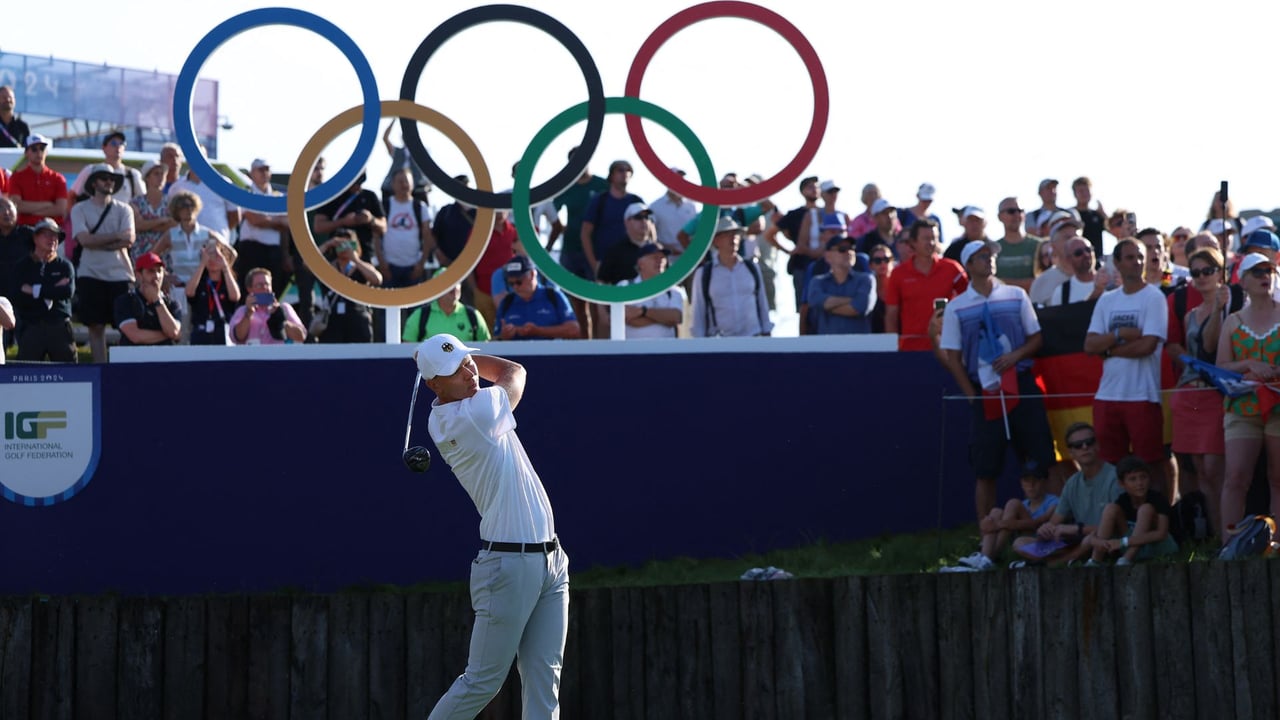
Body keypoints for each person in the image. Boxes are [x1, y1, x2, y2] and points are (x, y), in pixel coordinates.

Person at [412, 333, 569, 719]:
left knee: (544, 680)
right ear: (435, 386)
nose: (469, 373)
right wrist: (470, 361)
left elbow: (492, 374)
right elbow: (514, 371)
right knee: (481, 682)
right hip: (508, 567)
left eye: (469, 362)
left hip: (551, 560)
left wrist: (459, 358)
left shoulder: (469, 402)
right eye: (456, 371)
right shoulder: (470, 414)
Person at [938, 239, 1057, 521]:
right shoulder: (956, 307)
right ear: (968, 265)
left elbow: (1036, 338)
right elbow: (953, 357)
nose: (989, 259)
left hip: (1022, 386)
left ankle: (1056, 529)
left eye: (990, 255)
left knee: (1042, 461)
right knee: (986, 468)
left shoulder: (1016, 295)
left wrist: (1015, 356)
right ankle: (987, 538)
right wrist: (973, 397)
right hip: (986, 392)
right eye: (981, 256)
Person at [1085, 238, 1173, 496]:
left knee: (1152, 463)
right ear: (1117, 263)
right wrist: (1120, 334)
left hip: (1142, 395)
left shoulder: (1154, 297)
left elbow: (1147, 346)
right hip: (1107, 396)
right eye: (1130, 257)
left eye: (1140, 258)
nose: (1137, 263)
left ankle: (1160, 520)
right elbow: (1090, 345)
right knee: (1112, 465)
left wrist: (1109, 350)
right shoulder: (1107, 300)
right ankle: (1120, 520)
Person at [1215, 252, 1280, 539]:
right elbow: (1221, 367)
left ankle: (1277, 545)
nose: (1265, 276)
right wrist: (1249, 364)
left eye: (1269, 270)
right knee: (1236, 478)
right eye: (1257, 272)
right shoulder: (1233, 321)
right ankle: (1230, 545)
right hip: (1242, 406)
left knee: (1279, 478)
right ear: (1243, 281)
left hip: (1278, 405)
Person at [1170, 247, 1231, 536]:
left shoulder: (1234, 305)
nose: (1202, 277)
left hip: (1214, 394)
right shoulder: (1190, 315)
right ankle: (1215, 538)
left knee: (1215, 468)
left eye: (1208, 270)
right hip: (1187, 394)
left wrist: (1219, 309)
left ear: (1220, 272)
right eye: (1196, 272)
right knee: (1199, 470)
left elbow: (1211, 347)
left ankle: (1228, 538)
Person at [1013, 422, 1121, 565]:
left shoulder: (1115, 477)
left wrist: (1075, 529)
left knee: (1092, 539)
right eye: (1078, 445)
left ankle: (1052, 563)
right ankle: (1069, 557)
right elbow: (1055, 521)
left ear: (1097, 445)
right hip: (1077, 540)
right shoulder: (1072, 483)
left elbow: (1117, 527)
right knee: (1020, 543)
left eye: (1089, 442)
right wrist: (1046, 530)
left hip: (1106, 540)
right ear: (1071, 452)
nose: (1084, 447)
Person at [72, 163, 136, 363]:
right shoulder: (79, 208)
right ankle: (100, 368)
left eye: (111, 178)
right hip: (90, 273)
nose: (109, 181)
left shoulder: (125, 209)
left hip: (121, 274)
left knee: (126, 325)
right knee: (95, 326)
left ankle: (123, 366)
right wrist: (116, 237)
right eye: (104, 177)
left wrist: (97, 240)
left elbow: (129, 239)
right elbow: (84, 240)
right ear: (93, 182)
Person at [948, 464, 1059, 571]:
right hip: (1017, 538)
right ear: (1021, 483)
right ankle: (983, 556)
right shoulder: (1025, 504)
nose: (1031, 485)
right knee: (996, 512)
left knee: (1013, 503)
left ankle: (990, 557)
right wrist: (992, 522)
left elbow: (1037, 523)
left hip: (1036, 540)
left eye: (1036, 480)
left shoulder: (1053, 501)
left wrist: (998, 524)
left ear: (1044, 481)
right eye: (1027, 480)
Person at [549, 147, 608, 338]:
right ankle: (583, 342)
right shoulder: (566, 187)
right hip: (571, 249)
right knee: (576, 302)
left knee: (597, 300)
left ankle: (599, 343)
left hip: (596, 250)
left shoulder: (601, 184)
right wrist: (560, 231)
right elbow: (552, 211)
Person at [884, 218, 968, 351]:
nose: (931, 243)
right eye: (926, 238)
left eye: (934, 238)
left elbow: (969, 303)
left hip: (947, 349)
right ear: (913, 242)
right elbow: (891, 314)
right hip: (910, 349)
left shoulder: (952, 269)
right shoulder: (898, 273)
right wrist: (891, 348)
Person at [159, 190, 230, 335]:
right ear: (177, 211)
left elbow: (231, 254)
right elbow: (153, 257)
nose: (188, 210)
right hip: (179, 290)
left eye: (191, 206)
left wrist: (219, 272)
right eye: (183, 206)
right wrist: (164, 277)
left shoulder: (207, 233)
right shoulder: (170, 235)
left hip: (204, 289)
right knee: (181, 332)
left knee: (203, 331)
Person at [1085, 456, 1179, 565]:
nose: (1139, 483)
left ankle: (1125, 560)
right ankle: (1095, 560)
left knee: (1145, 509)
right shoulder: (1122, 501)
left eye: (1143, 477)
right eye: (1132, 479)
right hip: (1129, 544)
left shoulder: (1157, 499)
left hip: (1157, 546)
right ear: (1122, 483)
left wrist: (1123, 542)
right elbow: (1099, 531)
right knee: (1110, 508)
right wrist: (1099, 542)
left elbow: (1161, 534)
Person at [691, 217, 772, 338]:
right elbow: (698, 313)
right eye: (727, 234)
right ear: (716, 241)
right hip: (719, 343)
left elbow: (762, 303)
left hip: (753, 339)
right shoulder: (704, 274)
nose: (733, 238)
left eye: (736, 234)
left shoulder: (752, 268)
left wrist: (767, 334)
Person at [12, 219, 75, 362]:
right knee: (26, 373)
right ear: (35, 238)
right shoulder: (22, 266)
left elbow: (67, 292)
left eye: (55, 236)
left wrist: (35, 290)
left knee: (69, 373)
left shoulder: (64, 266)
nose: (52, 239)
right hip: (31, 324)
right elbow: (18, 295)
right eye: (46, 235)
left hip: (60, 325)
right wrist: (52, 288)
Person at [235, 158, 291, 296]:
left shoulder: (278, 196)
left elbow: (287, 224)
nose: (264, 173)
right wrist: (276, 221)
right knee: (249, 289)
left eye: (267, 169)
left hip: (273, 251)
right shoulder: (247, 194)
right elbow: (254, 219)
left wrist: (285, 254)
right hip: (251, 250)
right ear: (252, 173)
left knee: (272, 290)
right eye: (260, 170)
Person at [317, 229, 382, 344]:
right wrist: (327, 244)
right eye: (340, 245)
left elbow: (377, 279)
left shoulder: (361, 266)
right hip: (332, 320)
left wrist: (355, 259)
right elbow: (308, 265)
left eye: (348, 244)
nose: (344, 248)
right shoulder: (328, 267)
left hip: (357, 319)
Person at [494, 255, 579, 341]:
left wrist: (539, 331)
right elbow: (495, 337)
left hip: (551, 352)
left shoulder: (553, 296)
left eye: (519, 282)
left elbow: (574, 330)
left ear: (532, 274)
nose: (515, 287)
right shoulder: (507, 302)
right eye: (511, 284)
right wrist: (504, 335)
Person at [378, 167, 436, 289]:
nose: (404, 185)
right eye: (400, 181)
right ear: (393, 184)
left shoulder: (420, 207)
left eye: (406, 181)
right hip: (389, 266)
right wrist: (382, 263)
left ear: (412, 184)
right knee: (389, 305)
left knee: (413, 306)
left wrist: (421, 264)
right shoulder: (384, 205)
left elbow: (427, 236)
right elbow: (376, 236)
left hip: (413, 267)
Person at [807, 234, 876, 335]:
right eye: (842, 249)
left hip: (860, 347)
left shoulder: (866, 279)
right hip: (827, 347)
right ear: (828, 256)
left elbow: (859, 308)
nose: (849, 252)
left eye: (851, 248)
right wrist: (851, 300)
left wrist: (827, 307)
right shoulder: (817, 282)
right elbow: (815, 302)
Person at [167, 146, 240, 240]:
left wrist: (218, 232)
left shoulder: (222, 183)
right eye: (193, 155)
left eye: (201, 156)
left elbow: (234, 215)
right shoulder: (176, 187)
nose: (197, 159)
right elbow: (173, 216)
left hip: (217, 244)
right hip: (187, 246)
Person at [402, 268, 490, 343]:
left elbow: (487, 348)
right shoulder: (420, 316)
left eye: (457, 282)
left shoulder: (474, 315)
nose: (454, 286)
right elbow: (406, 351)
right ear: (436, 289)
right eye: (448, 283)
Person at [113, 252, 181, 348]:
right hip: (133, 359)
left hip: (164, 358)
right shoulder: (125, 301)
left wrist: (157, 300)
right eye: (151, 271)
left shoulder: (172, 303)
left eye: (159, 271)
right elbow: (135, 336)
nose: (157, 276)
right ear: (138, 275)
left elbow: (174, 332)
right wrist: (166, 335)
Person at [185, 238, 241, 346]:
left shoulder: (228, 282)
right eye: (209, 255)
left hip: (223, 333)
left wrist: (225, 267)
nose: (212, 260)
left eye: (216, 256)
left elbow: (235, 297)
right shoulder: (199, 282)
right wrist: (202, 264)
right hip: (201, 332)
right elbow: (189, 292)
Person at [229, 268, 307, 345]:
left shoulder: (284, 308)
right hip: (252, 355)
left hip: (277, 355)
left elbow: (301, 336)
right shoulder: (242, 311)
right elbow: (237, 337)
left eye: (267, 284)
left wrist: (280, 319)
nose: (264, 288)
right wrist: (248, 314)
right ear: (250, 289)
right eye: (259, 285)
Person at [69, 131, 144, 205]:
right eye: (113, 143)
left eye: (121, 144)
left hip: (123, 217)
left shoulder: (132, 174)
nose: (118, 147)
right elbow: (72, 196)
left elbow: (143, 200)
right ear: (103, 148)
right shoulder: (91, 170)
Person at [9, 134, 68, 228]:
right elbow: (17, 206)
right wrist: (47, 204)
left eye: (42, 148)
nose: (39, 152)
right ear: (26, 152)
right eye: (34, 149)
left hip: (52, 230)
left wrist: (33, 213)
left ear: (46, 152)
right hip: (25, 230)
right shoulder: (17, 177)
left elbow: (61, 209)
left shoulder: (58, 178)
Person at [129, 160, 177, 264]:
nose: (160, 177)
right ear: (147, 177)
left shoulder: (171, 201)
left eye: (162, 174)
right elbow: (137, 225)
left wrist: (148, 225)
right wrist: (162, 221)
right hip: (140, 253)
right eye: (156, 174)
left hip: (164, 255)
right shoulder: (136, 202)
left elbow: (174, 225)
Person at [597, 202, 656, 285]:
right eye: (638, 217)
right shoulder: (615, 252)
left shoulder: (657, 250)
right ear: (627, 222)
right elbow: (602, 282)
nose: (644, 221)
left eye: (646, 217)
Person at [993, 197, 1041, 292]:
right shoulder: (992, 249)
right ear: (999, 217)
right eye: (1011, 211)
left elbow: (1044, 281)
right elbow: (991, 283)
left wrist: (1004, 283)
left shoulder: (1039, 245)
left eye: (1020, 211)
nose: (1016, 215)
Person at [1045, 236, 1107, 307]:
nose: (1086, 255)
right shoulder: (1062, 293)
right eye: (1078, 253)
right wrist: (1096, 292)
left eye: (1088, 250)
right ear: (1068, 259)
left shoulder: (1110, 282)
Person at [867, 244, 895, 333]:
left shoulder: (900, 286)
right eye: (878, 261)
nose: (883, 264)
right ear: (870, 265)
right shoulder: (867, 287)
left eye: (887, 260)